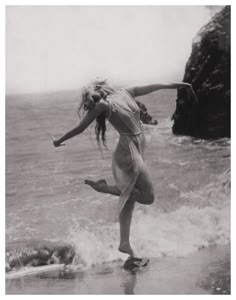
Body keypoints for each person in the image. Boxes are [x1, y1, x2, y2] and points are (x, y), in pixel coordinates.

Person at [53, 79, 193, 259]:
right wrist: (59, 140)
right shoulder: (103, 105)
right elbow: (81, 128)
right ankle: (104, 188)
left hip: (137, 147)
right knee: (148, 197)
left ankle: (124, 243)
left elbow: (151, 86)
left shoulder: (125, 92)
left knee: (130, 200)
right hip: (128, 153)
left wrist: (178, 85)